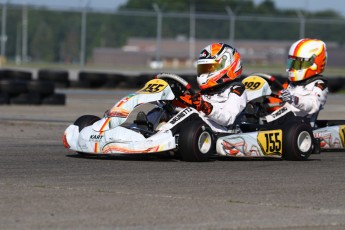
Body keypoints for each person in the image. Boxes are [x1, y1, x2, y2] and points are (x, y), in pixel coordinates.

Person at [179, 43, 247, 132]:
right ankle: (156, 133)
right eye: (203, 69)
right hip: (201, 130)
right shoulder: (207, 91)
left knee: (193, 116)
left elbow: (228, 118)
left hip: (226, 133)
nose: (204, 73)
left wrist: (206, 107)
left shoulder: (236, 89)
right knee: (167, 111)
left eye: (209, 68)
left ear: (227, 66)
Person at [266, 38, 328, 124]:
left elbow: (313, 105)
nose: (293, 67)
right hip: (280, 122)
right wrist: (264, 102)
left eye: (297, 64)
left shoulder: (319, 84)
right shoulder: (291, 83)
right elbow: (278, 99)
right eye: (292, 63)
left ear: (313, 64)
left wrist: (294, 99)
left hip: (300, 125)